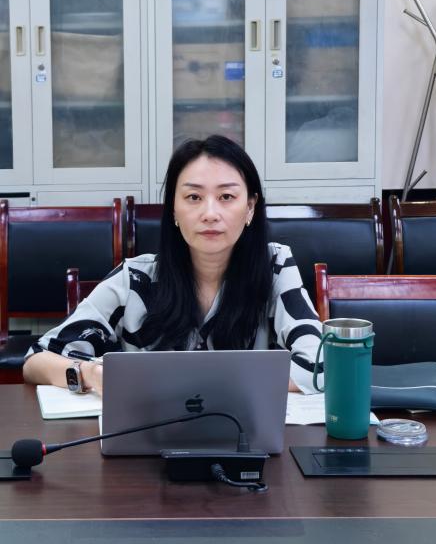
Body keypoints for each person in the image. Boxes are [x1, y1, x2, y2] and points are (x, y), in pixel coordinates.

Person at [23, 135, 323, 395]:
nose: (210, 213)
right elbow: (36, 360)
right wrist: (89, 374)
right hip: (149, 437)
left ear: (250, 207)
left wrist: (195, 383)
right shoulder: (135, 279)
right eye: (193, 197)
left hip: (247, 436)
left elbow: (321, 364)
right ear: (174, 211)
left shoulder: (275, 267)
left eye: (226, 196)